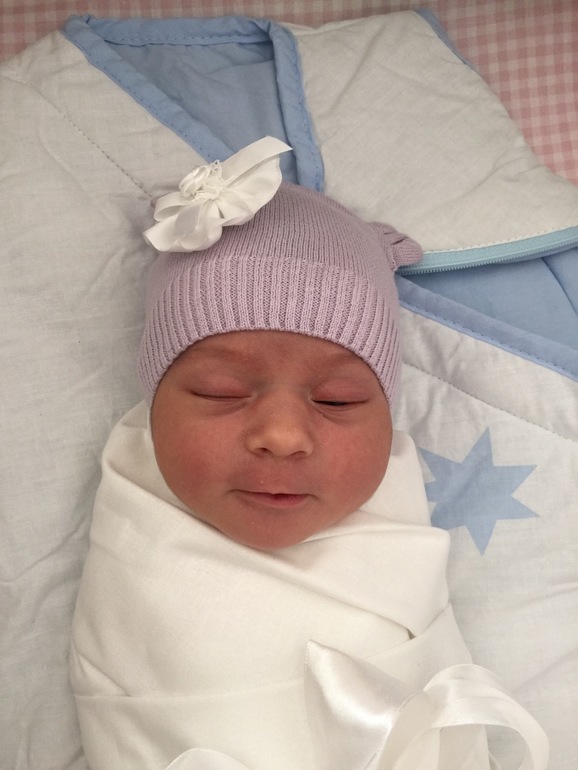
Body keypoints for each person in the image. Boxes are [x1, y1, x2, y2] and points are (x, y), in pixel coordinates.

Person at [70, 138, 548, 770]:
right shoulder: (137, 521)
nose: (283, 434)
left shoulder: (397, 529)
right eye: (220, 391)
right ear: (153, 404)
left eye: (338, 400)